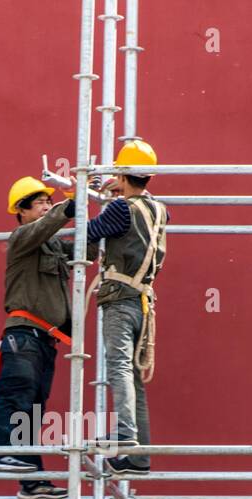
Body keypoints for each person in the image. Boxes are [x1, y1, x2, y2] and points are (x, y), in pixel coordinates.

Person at [0, 174, 131, 499]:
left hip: (43, 341)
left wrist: (105, 226)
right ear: (21, 211)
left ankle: (30, 478)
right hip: (23, 336)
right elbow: (46, 226)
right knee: (16, 396)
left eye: (49, 201)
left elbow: (83, 252)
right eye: (40, 203)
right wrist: (70, 206)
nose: (47, 206)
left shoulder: (50, 246)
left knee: (33, 408)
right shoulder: (22, 238)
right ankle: (1, 454)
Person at [93, 139, 168, 478]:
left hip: (121, 299)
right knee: (134, 378)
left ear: (122, 174)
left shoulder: (121, 210)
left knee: (118, 367)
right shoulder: (158, 209)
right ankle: (138, 455)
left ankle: (125, 437)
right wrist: (116, 190)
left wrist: (88, 199)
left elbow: (90, 234)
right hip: (143, 303)